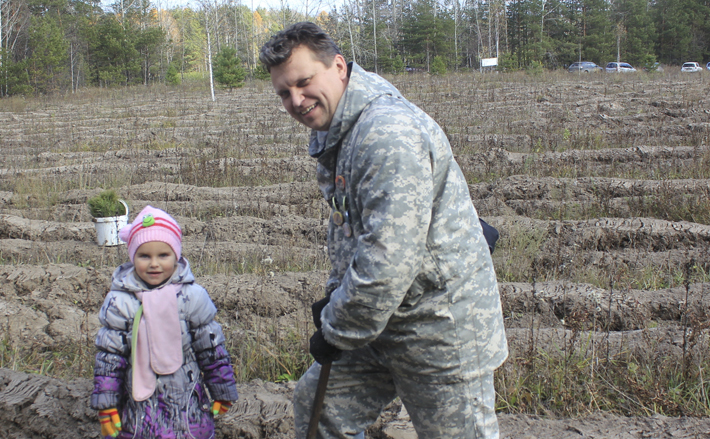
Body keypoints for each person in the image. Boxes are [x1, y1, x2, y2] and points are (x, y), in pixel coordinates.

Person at [260, 22, 508, 439]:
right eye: (284, 92)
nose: (296, 101)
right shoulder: (343, 131)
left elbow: (387, 261)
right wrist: (338, 297)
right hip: (381, 320)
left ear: (338, 67)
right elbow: (353, 230)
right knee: (321, 411)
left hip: (438, 327)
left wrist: (336, 328)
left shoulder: (385, 134)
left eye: (304, 83)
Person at [91, 205, 238, 439]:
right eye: (144, 256)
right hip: (138, 409)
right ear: (132, 257)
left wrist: (222, 389)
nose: (154, 264)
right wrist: (106, 402)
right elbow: (109, 358)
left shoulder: (192, 297)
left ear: (176, 255)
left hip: (187, 403)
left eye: (163, 255)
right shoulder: (120, 302)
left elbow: (211, 349)